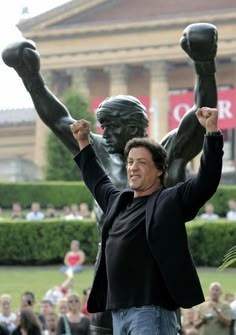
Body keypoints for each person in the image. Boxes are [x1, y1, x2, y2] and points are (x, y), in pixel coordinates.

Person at [2, 22, 218, 335]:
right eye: (103, 127)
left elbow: (199, 119)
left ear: (135, 128)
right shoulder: (102, 157)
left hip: (152, 296)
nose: (105, 133)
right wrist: (30, 77)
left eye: (111, 127)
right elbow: (59, 120)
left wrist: (204, 66)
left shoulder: (163, 154)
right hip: (110, 291)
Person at [70, 106, 223, 335]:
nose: (132, 168)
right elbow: (97, 179)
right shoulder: (118, 201)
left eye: (141, 162)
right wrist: (83, 142)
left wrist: (211, 132)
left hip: (151, 313)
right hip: (118, 313)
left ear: (160, 169)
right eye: (130, 162)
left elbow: (207, 180)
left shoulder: (170, 200)